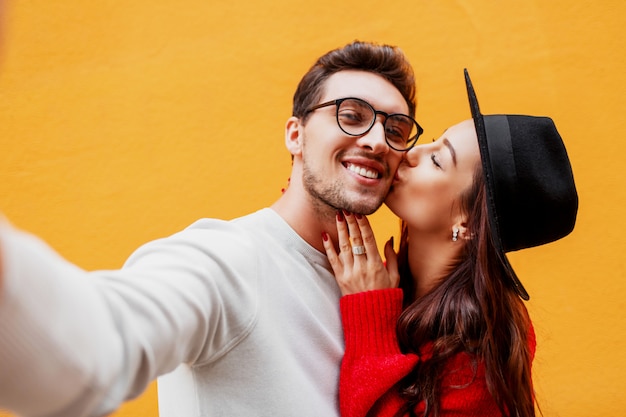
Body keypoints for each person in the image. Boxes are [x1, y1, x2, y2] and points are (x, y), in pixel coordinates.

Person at [0, 40, 423, 417]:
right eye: (351, 115)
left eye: (395, 130)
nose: (377, 140)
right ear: (295, 135)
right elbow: (94, 351)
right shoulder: (227, 259)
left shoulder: (382, 291)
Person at [322, 70, 578, 417]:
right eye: (433, 142)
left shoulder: (481, 346)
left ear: (469, 224)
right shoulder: (394, 282)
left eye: (438, 160)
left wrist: (370, 310)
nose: (412, 152)